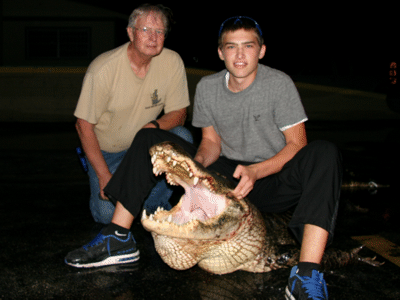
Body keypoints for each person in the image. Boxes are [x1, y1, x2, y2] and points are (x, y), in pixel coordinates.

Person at [65, 16, 342, 300]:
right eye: (231, 47)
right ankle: (118, 237)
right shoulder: (209, 87)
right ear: (220, 52)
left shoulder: (279, 84)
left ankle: (307, 273)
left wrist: (257, 171)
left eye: (248, 46)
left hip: (272, 178)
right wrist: (194, 167)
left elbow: (297, 143)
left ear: (261, 50)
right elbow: (211, 143)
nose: (240, 54)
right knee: (149, 136)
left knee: (324, 153)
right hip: (228, 176)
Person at [73, 4, 193, 225]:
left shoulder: (172, 61)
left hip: (144, 147)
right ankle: (94, 168)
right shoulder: (103, 69)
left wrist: (152, 129)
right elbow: (83, 126)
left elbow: (179, 114)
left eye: (159, 32)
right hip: (108, 152)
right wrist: (103, 176)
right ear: (130, 32)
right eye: (145, 30)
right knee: (106, 216)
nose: (153, 37)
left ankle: (153, 202)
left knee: (182, 137)